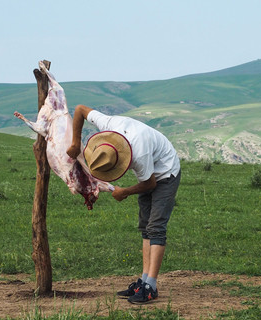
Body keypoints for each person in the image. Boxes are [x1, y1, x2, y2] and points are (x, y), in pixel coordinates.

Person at [66, 104, 181, 305]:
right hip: (148, 173)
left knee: (156, 227)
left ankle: (151, 287)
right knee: (146, 227)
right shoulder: (108, 124)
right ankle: (143, 282)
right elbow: (80, 110)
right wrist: (76, 143)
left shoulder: (140, 154)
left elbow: (150, 183)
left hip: (166, 173)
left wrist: (124, 192)